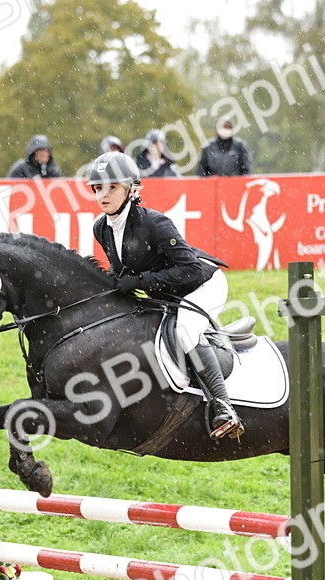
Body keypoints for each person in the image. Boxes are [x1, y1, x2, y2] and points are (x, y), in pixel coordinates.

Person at [87, 151, 243, 440]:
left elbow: (191, 270)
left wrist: (141, 281)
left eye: (112, 187)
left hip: (202, 284)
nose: (103, 195)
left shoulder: (155, 223)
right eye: (97, 188)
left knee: (185, 330)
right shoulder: (102, 228)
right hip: (167, 294)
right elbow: (122, 272)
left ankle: (223, 405)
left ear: (132, 190)